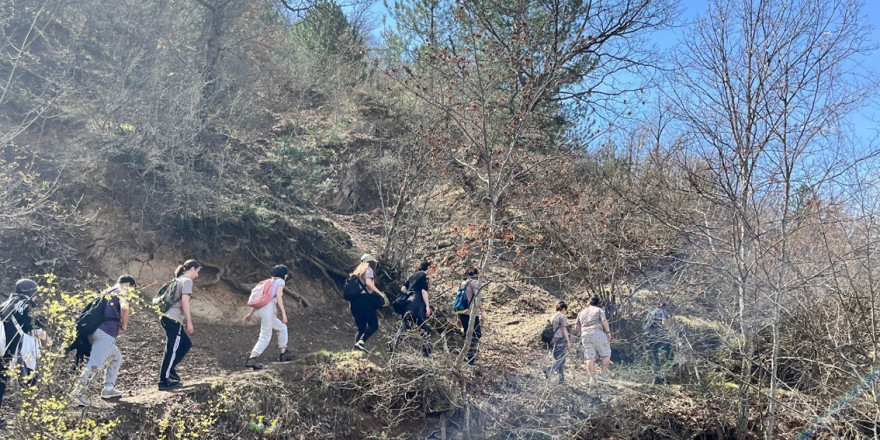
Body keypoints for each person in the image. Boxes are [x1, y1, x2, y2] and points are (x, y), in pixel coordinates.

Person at [72, 275, 134, 406]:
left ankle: (108, 388)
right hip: (106, 332)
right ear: (128, 284)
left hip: (93, 330)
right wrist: (124, 324)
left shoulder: (107, 292)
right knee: (95, 364)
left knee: (115, 357)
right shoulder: (122, 292)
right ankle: (78, 392)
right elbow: (124, 308)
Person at [0, 279, 47, 428]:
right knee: (4, 379)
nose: (37, 298)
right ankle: (31, 415)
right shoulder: (27, 305)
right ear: (30, 292)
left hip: (1, 344)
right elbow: (37, 330)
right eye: (36, 294)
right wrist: (47, 340)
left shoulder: (5, 303)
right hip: (8, 350)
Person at [158, 259, 201, 391]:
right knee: (171, 349)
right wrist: (189, 322)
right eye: (198, 271)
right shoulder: (187, 281)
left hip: (166, 317)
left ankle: (170, 370)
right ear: (193, 269)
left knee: (186, 344)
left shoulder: (177, 279)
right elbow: (185, 302)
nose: (198, 275)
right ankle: (163, 381)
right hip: (174, 318)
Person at [243, 265, 294, 369]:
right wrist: (284, 314)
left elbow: (261, 300)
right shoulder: (280, 282)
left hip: (260, 310)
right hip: (267, 311)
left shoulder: (268, 282)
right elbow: (279, 297)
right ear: (284, 275)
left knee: (282, 327)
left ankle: (283, 353)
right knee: (265, 336)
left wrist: (250, 314)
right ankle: (252, 359)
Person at [390, 258, 432, 356]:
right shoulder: (424, 276)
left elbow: (403, 288)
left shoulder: (413, 275)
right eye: (431, 269)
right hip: (418, 304)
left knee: (406, 325)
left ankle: (393, 342)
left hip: (408, 303)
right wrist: (427, 306)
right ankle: (426, 354)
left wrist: (409, 293)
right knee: (424, 328)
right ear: (428, 268)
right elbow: (423, 291)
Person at [348, 255, 389, 352]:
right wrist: (380, 294)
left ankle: (356, 350)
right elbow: (369, 283)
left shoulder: (356, 273)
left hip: (354, 303)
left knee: (361, 327)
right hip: (364, 301)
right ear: (370, 262)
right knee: (374, 325)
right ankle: (361, 341)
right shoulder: (368, 270)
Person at [575, 296, 612, 384]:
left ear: (588, 303)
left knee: (590, 357)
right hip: (597, 332)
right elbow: (603, 320)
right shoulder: (599, 310)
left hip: (585, 335)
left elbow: (576, 328)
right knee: (606, 354)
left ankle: (592, 378)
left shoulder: (581, 312)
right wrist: (608, 331)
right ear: (597, 303)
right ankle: (603, 375)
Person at [457, 267, 484, 365]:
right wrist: (482, 313)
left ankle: (464, 354)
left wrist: (458, 317)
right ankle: (470, 359)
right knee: (476, 334)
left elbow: (458, 300)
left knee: (467, 333)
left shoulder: (461, 283)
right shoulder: (474, 283)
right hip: (471, 313)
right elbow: (478, 299)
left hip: (462, 312)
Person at [644, 302, 673, 384]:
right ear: (663, 306)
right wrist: (669, 332)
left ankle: (656, 376)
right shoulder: (663, 312)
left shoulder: (650, 313)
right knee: (669, 354)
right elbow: (664, 323)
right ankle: (665, 376)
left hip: (650, 337)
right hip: (661, 337)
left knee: (654, 357)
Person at [542, 301, 570, 384]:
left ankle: (561, 380)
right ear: (563, 309)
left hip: (551, 341)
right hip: (558, 340)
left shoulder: (552, 316)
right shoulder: (561, 316)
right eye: (566, 310)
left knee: (558, 359)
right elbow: (564, 329)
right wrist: (568, 341)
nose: (566, 312)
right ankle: (549, 370)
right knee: (562, 359)